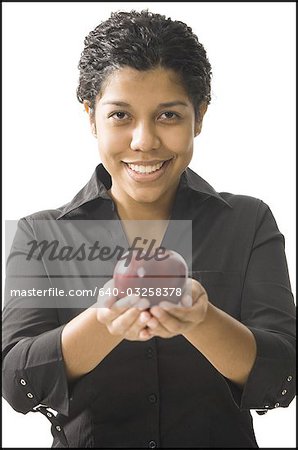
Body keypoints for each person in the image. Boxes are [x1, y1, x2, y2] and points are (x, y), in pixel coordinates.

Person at [2, 9, 296, 449]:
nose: (144, 141)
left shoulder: (248, 221)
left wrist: (201, 320)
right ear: (91, 117)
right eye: (120, 115)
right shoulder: (41, 235)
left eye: (169, 116)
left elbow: (284, 376)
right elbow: (16, 383)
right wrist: (103, 321)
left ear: (199, 116)